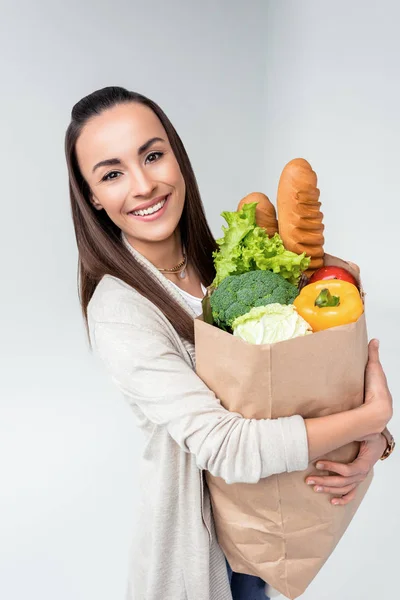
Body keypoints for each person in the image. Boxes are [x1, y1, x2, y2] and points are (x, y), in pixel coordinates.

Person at [65, 86, 394, 600]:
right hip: (201, 562)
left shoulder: (231, 261)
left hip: (271, 532)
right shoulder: (121, 310)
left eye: (153, 155)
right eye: (112, 173)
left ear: (176, 156)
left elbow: (308, 380)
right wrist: (369, 419)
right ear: (93, 197)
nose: (144, 184)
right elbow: (226, 446)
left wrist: (373, 444)